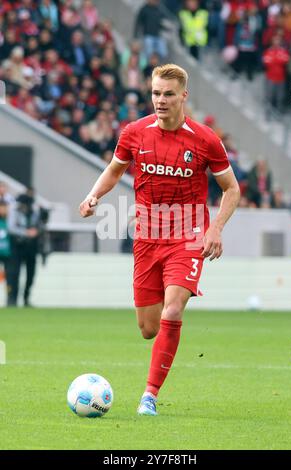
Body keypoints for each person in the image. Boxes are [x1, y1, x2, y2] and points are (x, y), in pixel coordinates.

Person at [79, 64, 240, 416]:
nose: (160, 100)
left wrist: (215, 228)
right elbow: (115, 169)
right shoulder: (135, 132)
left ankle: (149, 396)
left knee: (173, 308)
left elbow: (232, 188)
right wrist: (94, 196)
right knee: (148, 329)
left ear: (184, 96)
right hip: (148, 238)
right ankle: (157, 363)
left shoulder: (205, 139)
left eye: (168, 94)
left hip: (188, 236)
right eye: (155, 93)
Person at [7, 192, 41, 307]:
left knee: (30, 274)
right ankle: (12, 300)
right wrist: (26, 233)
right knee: (14, 274)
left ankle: (26, 298)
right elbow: (11, 228)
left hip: (31, 247)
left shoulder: (34, 213)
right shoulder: (14, 211)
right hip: (17, 246)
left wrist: (37, 231)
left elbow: (39, 227)